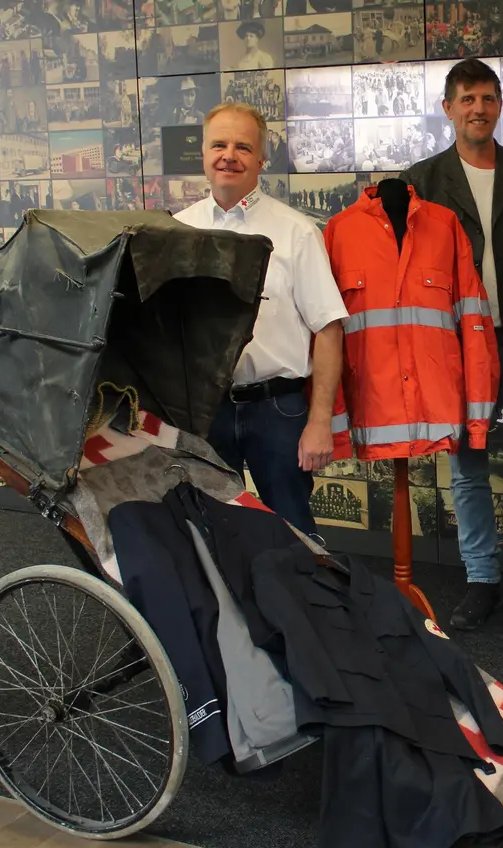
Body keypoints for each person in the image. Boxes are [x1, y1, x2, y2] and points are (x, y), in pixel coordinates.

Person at [401, 58, 503, 648]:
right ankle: (481, 580)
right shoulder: (420, 181)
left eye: (488, 98)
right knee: (469, 472)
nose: (478, 108)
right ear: (448, 107)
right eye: (467, 98)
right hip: (456, 345)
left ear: (500, 106)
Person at [173, 103, 347, 538]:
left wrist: (320, 421)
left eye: (243, 147)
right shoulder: (177, 231)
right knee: (212, 527)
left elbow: (328, 328)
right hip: (206, 410)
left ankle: (300, 607)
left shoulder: (296, 231)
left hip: (277, 408)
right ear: (204, 155)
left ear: (260, 160)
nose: (229, 155)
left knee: (292, 531)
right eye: (219, 144)